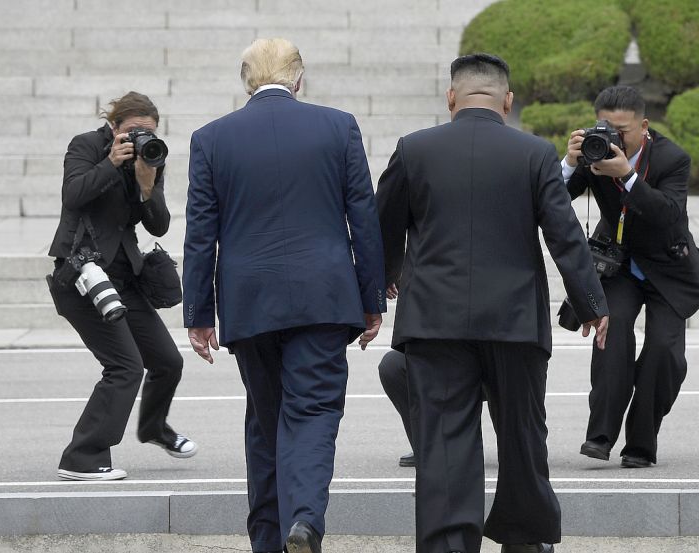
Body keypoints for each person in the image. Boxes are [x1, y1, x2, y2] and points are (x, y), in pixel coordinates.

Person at [377, 53, 609, 553]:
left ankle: (447, 545)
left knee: (443, 447)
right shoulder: (535, 153)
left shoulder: (413, 149)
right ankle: (524, 540)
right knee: (523, 437)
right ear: (507, 101)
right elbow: (564, 235)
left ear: (451, 98)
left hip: (433, 322)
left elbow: (385, 226)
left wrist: (384, 281)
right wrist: (591, 304)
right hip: (515, 321)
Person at [183, 38, 387, 553]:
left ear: (246, 80)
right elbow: (362, 217)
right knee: (314, 410)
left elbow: (200, 233)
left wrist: (198, 313)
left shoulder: (211, 139)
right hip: (324, 295)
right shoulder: (338, 126)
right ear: (299, 79)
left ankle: (268, 540)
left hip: (249, 301)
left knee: (264, 416)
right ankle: (305, 519)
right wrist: (372, 299)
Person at [47, 91, 194, 482]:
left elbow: (159, 225)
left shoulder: (152, 155)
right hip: (82, 277)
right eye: (132, 131)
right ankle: (82, 456)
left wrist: (147, 186)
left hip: (124, 278)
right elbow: (73, 195)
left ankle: (153, 428)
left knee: (167, 361)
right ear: (113, 127)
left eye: (148, 132)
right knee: (125, 367)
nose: (140, 138)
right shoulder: (87, 146)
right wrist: (112, 162)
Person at [562, 85, 699, 469]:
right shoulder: (592, 153)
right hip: (620, 265)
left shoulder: (673, 158)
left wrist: (627, 176)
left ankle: (641, 442)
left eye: (623, 130)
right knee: (613, 337)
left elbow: (669, 216)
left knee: (664, 352)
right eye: (606, 128)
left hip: (669, 268)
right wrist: (567, 163)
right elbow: (552, 201)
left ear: (644, 126)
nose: (614, 139)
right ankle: (600, 436)